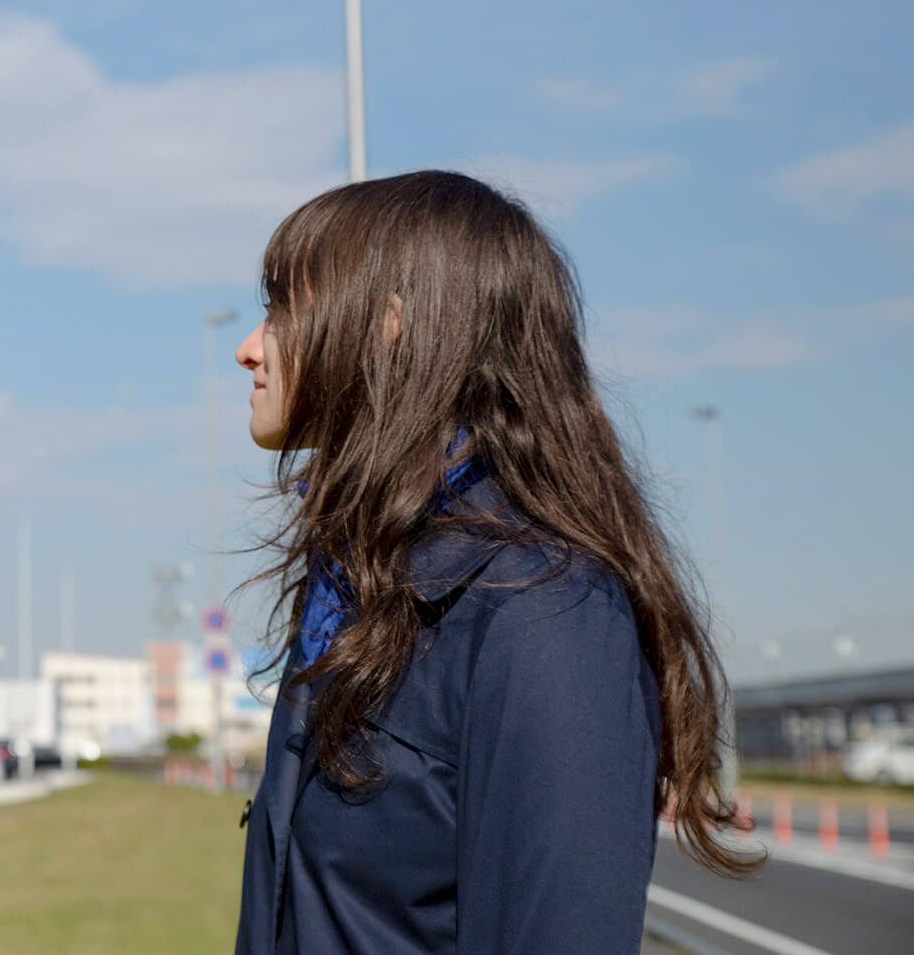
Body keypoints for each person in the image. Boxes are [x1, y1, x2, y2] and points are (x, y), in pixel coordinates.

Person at [230, 171, 753, 954]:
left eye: (282, 310)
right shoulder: (366, 582)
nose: (249, 349)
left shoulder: (548, 612)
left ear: (390, 325)